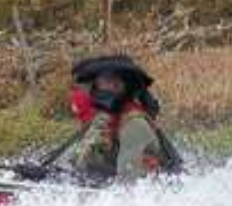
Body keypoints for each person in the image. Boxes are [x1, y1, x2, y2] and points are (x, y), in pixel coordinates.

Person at [67, 55, 182, 183]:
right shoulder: (103, 120)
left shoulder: (134, 124)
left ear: (118, 86)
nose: (77, 96)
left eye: (107, 80)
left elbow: (129, 185)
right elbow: (84, 164)